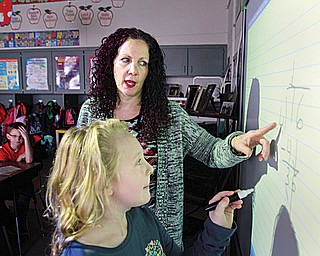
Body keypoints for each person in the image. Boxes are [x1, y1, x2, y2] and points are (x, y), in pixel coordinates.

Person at [77, 27, 276, 247]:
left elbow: (211, 151)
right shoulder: (91, 112)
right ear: (111, 64)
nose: (133, 69)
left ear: (149, 72)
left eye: (143, 63)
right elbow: (81, 172)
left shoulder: (170, 115)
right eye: (125, 60)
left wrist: (235, 144)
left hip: (160, 231)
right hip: (106, 229)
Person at [46, 119, 243, 256]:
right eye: (138, 161)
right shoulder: (82, 253)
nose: (150, 168)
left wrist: (217, 228)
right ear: (104, 183)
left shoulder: (142, 217)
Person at [0, 122, 36, 235]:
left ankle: (20, 224)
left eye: (21, 137)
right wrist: (17, 161)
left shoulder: (26, 146)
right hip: (7, 185)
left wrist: (26, 139)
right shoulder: (3, 150)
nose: (18, 139)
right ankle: (10, 221)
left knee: (23, 197)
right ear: (8, 136)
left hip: (22, 184)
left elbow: (29, 161)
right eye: (14, 136)